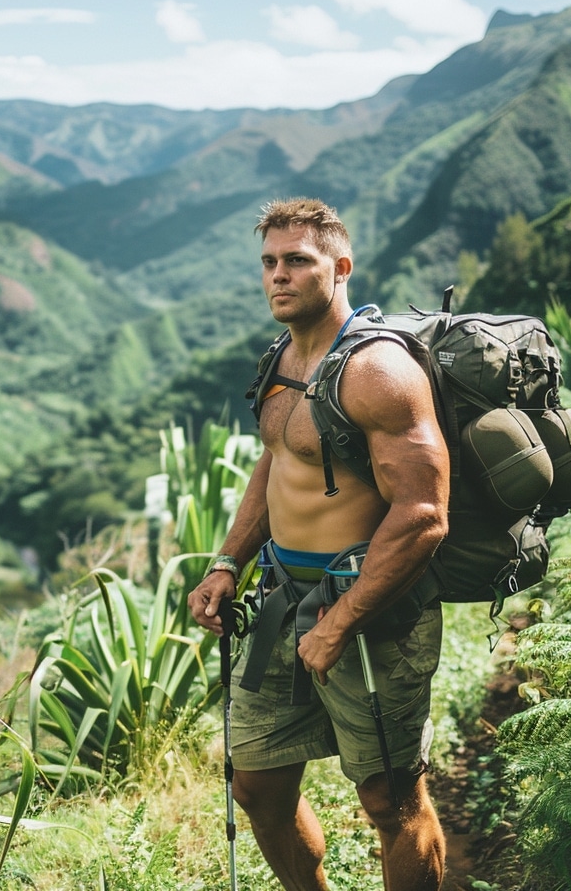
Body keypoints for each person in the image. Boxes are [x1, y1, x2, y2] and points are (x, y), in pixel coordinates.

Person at [188, 198, 451, 891]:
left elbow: (424, 513)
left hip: (374, 615)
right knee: (257, 788)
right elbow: (279, 463)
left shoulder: (377, 373)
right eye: (270, 262)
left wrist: (340, 622)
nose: (280, 276)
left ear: (340, 267)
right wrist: (227, 562)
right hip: (281, 599)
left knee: (391, 804)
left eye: (298, 261)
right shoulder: (283, 358)